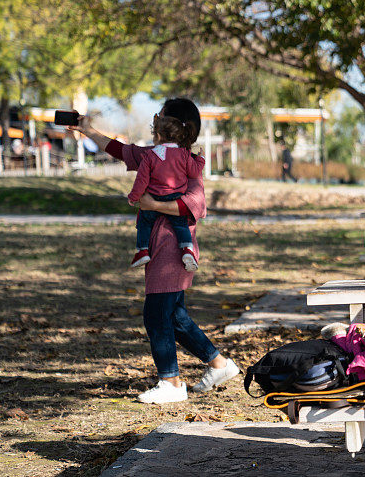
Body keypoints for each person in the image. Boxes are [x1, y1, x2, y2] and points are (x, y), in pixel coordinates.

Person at [70, 98, 240, 404]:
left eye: (160, 116)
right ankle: (219, 365)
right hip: (161, 249)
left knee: (155, 314)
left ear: (172, 126)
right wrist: (87, 130)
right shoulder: (153, 155)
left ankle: (171, 383)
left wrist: (153, 205)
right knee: (175, 316)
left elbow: (197, 205)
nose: (156, 122)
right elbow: (120, 150)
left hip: (175, 250)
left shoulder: (187, 163)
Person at [128, 112, 205, 271]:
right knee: (181, 225)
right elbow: (194, 172)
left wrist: (133, 197)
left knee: (144, 222)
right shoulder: (184, 154)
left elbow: (141, 181)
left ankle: (142, 250)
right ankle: (187, 250)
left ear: (157, 135)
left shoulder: (150, 156)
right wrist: (200, 159)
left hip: (154, 196)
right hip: (175, 198)